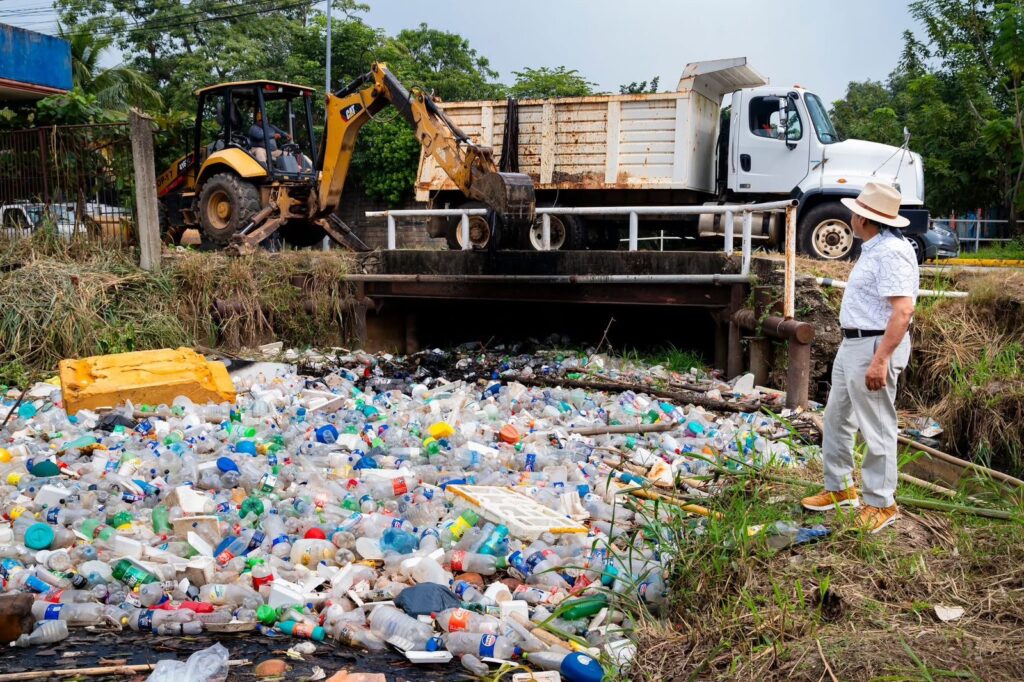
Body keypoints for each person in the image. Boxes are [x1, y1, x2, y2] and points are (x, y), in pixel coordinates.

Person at [801, 182, 919, 533]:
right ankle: (840, 488)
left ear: (864, 219)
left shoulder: (891, 252)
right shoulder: (874, 247)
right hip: (854, 343)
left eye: (855, 212)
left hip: (874, 344)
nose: (851, 216)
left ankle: (881, 503)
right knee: (837, 416)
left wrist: (880, 360)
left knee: (876, 425)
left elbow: (903, 311)